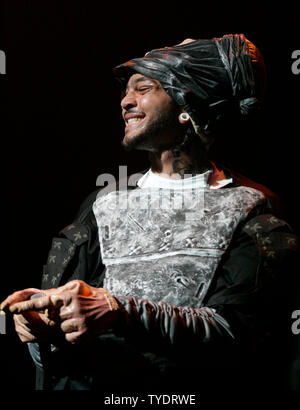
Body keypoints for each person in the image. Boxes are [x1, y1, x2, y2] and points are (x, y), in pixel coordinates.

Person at [1, 34, 299, 392]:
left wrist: (119, 310)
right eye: (126, 91)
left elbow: (248, 336)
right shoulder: (103, 205)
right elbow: (68, 339)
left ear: (188, 104)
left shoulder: (250, 208)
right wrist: (43, 325)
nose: (126, 101)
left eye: (144, 88)